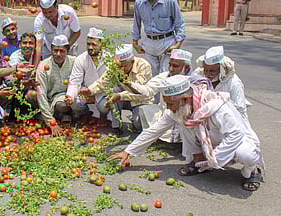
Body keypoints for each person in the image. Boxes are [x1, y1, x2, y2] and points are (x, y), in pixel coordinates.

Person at [109, 75, 264, 192]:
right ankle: (198, 162)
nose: (169, 108)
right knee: (185, 124)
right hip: (210, 144)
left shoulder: (216, 106)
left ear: (185, 98)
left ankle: (250, 172)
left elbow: (236, 135)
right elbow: (153, 131)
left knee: (247, 155)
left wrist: (215, 157)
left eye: (170, 103)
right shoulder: (181, 109)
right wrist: (128, 151)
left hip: (235, 143)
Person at [81, 44, 153, 132]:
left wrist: (120, 96)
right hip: (123, 98)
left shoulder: (144, 66)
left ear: (132, 61)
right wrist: (90, 90)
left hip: (141, 100)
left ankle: (135, 119)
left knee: (138, 124)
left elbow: (141, 92)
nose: (121, 70)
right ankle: (116, 126)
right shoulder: (116, 66)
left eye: (125, 66)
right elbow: (103, 81)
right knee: (114, 90)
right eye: (119, 67)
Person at [132, 0, 185, 76]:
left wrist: (178, 44)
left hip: (167, 44)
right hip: (149, 44)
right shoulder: (139, 2)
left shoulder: (170, 1)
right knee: (150, 77)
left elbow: (179, 23)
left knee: (165, 76)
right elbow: (136, 23)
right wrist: (135, 43)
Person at [65, 28, 111, 125]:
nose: (90, 47)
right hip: (85, 92)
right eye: (88, 44)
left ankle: (103, 116)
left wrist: (94, 94)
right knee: (75, 102)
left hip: (103, 92)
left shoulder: (110, 59)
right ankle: (85, 113)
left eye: (93, 44)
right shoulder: (81, 59)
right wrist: (70, 96)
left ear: (101, 45)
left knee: (105, 105)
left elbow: (109, 82)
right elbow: (74, 81)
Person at [36, 34, 78, 136]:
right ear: (51, 50)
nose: (58, 54)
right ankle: (59, 115)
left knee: (63, 104)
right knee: (32, 95)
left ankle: (70, 113)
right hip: (51, 99)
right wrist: (50, 121)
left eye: (62, 51)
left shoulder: (75, 62)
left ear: (67, 50)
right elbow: (41, 94)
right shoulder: (43, 66)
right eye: (55, 50)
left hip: (68, 97)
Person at [194, 46, 250, 121]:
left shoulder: (234, 82)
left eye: (212, 71)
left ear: (221, 69)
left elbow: (240, 109)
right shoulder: (199, 75)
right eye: (206, 70)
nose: (208, 74)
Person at [33, 0, 81, 65]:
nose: (48, 15)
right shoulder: (39, 20)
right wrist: (35, 66)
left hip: (69, 48)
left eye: (50, 12)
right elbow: (39, 44)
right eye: (45, 12)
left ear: (57, 6)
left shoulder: (69, 12)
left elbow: (77, 32)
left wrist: (66, 48)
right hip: (49, 50)